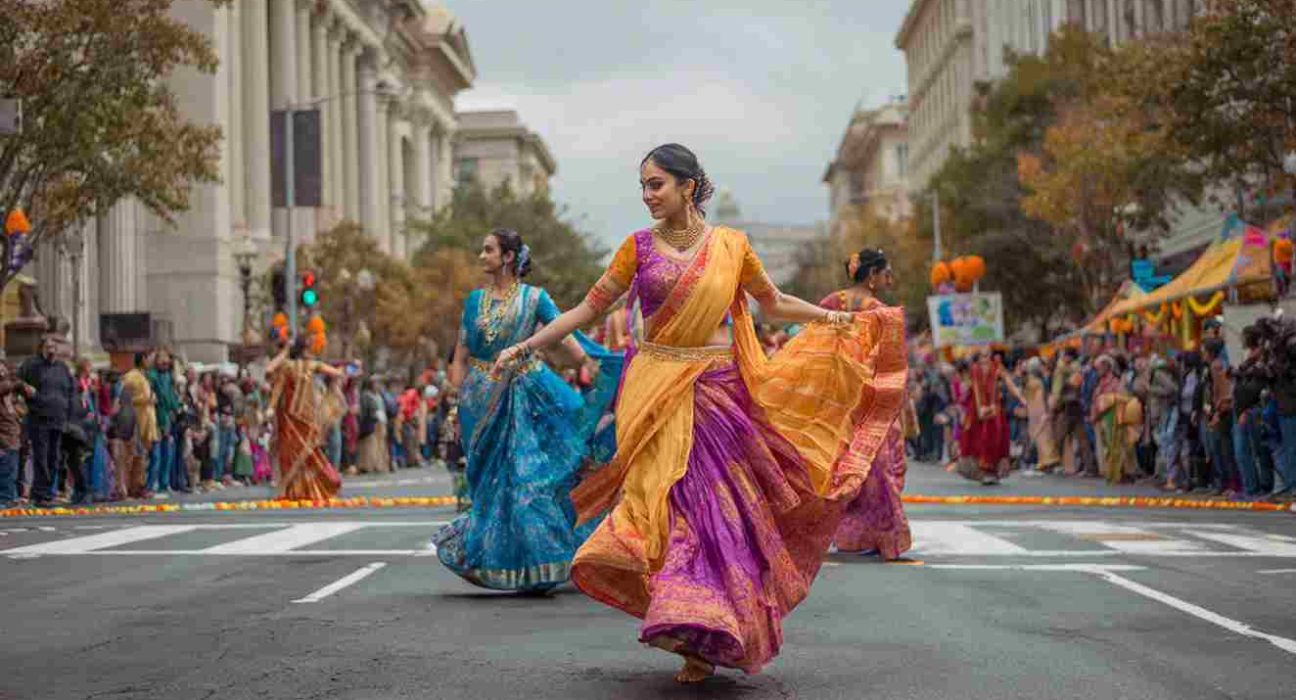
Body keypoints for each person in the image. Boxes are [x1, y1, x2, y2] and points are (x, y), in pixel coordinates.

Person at [492, 144, 905, 682]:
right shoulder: (637, 248)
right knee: (671, 507)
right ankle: (687, 627)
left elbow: (773, 303)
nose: (647, 195)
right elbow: (588, 309)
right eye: (642, 186)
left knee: (721, 509)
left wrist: (833, 322)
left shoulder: (731, 247)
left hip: (720, 391)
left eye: (656, 184)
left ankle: (712, 623)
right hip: (658, 394)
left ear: (689, 186)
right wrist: (525, 346)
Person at [432, 228, 620, 593]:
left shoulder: (535, 299)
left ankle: (543, 561)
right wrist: (454, 403)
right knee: (490, 483)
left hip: (531, 393)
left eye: (488, 250)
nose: (481, 255)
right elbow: (460, 355)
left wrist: (590, 365)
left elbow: (562, 333)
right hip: (481, 399)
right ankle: (501, 562)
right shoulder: (473, 302)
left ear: (507, 257)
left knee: (529, 476)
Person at [820, 248, 912, 562]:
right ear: (872, 276)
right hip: (871, 401)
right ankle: (879, 535)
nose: (891, 279)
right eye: (887, 273)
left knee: (839, 465)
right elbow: (894, 368)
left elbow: (812, 345)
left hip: (838, 399)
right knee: (879, 468)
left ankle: (843, 535)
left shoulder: (831, 303)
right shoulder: (885, 314)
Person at [267, 336, 345, 500]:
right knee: (291, 454)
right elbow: (272, 377)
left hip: (306, 418)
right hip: (290, 418)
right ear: (304, 350)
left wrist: (346, 370)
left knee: (309, 452)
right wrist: (271, 407)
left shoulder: (312, 365)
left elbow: (335, 372)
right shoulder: (288, 366)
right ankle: (294, 490)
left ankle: (317, 487)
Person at [19, 335, 75, 507]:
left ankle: (48, 492)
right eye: (48, 347)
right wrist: (26, 389)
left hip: (58, 418)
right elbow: (18, 381)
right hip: (39, 418)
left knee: (54, 457)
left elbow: (71, 391)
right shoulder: (32, 365)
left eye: (54, 347)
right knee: (41, 457)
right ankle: (40, 494)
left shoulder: (62, 367)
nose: (51, 350)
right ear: (41, 348)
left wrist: (69, 416)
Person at [960, 350, 1025, 484]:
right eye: (982, 355)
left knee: (996, 438)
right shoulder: (974, 370)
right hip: (976, 412)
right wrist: (977, 408)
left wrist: (1021, 398)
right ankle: (981, 472)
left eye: (987, 354)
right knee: (977, 439)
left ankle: (994, 471)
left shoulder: (997, 367)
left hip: (994, 409)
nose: (985, 358)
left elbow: (1009, 382)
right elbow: (971, 389)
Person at [0, 363, 33, 507]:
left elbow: (21, 406)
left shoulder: (10, 393)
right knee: (8, 468)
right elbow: (7, 386)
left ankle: (13, 496)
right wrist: (18, 383)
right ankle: (5, 498)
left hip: (14, 433)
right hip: (5, 435)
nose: (2, 371)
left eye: (3, 368)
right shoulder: (6, 387)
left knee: (16, 467)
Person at [1023, 357, 1060, 472]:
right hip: (1039, 410)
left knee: (1039, 436)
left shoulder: (1031, 381)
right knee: (1044, 436)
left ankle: (1045, 461)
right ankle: (1047, 461)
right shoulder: (1039, 381)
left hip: (1034, 410)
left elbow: (1031, 397)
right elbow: (1041, 397)